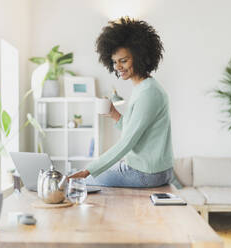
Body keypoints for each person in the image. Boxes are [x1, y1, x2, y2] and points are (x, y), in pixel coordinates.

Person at [69, 17, 180, 188]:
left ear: (140, 56)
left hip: (146, 173)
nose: (118, 67)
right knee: (88, 176)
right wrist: (115, 115)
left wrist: (88, 171)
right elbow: (137, 131)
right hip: (152, 170)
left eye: (124, 60)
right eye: (114, 62)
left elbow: (127, 142)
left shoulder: (148, 93)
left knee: (82, 182)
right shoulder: (144, 88)